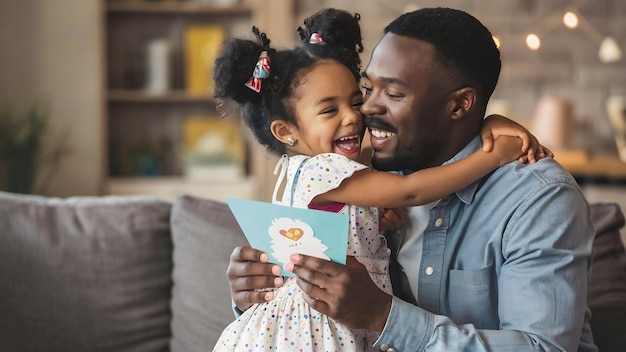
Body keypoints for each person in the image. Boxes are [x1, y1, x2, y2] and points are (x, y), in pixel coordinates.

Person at [226, 7, 598, 352]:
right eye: (368, 89)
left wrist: (383, 316)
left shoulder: (536, 198)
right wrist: (262, 293)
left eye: (393, 93)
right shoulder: (372, 179)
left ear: (459, 105)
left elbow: (543, 347)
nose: (365, 110)